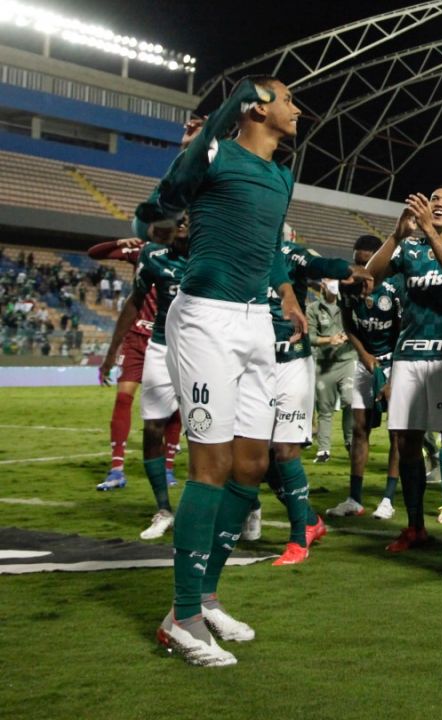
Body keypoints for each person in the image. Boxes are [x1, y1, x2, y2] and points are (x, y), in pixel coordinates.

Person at [137, 76, 308, 667]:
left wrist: (287, 293)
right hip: (205, 319)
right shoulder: (213, 153)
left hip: (256, 322)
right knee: (209, 465)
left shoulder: (283, 174)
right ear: (256, 107)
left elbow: (269, 247)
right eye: (288, 99)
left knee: (252, 464)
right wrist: (220, 115)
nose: (297, 109)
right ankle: (181, 618)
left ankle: (205, 597)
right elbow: (159, 205)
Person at [366, 186, 442, 552]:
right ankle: (415, 527)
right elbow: (370, 277)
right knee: (406, 441)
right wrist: (396, 236)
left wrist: (429, 233)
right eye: (434, 199)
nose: (439, 204)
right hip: (408, 355)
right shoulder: (409, 248)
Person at [254, 232, 369, 566]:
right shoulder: (240, 253)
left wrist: (345, 269)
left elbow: (320, 265)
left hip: (290, 361)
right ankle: (309, 520)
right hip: (253, 365)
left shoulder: (289, 253)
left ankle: (297, 539)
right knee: (256, 457)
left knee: (284, 450)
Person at [104, 223, 189, 539]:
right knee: (153, 427)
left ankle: (229, 507)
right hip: (161, 347)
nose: (182, 222)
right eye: (178, 218)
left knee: (208, 431)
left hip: (205, 351)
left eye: (188, 217)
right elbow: (134, 300)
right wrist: (112, 350)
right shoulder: (153, 255)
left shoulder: (215, 254)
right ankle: (164, 510)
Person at [92, 236, 181, 491]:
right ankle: (117, 469)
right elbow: (95, 252)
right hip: (137, 337)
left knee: (174, 406)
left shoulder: (188, 252)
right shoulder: (143, 250)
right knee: (123, 397)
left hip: (169, 337)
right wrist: (120, 241)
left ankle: (168, 468)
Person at [330, 235, 402, 520]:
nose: (359, 270)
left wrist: (392, 377)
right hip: (365, 361)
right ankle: (354, 499)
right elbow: (348, 324)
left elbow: (405, 330)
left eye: (365, 263)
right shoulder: (347, 286)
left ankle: (388, 499)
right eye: (357, 262)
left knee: (397, 431)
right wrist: (362, 354)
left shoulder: (395, 286)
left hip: (395, 361)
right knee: (359, 429)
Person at [309, 279, 356, 463]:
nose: (333, 284)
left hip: (347, 360)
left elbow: (359, 327)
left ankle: (350, 442)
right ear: (323, 285)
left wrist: (348, 335)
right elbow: (310, 337)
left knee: (350, 400)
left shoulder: (348, 305)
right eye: (329, 280)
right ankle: (323, 450)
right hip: (325, 363)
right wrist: (329, 340)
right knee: (324, 408)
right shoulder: (313, 309)